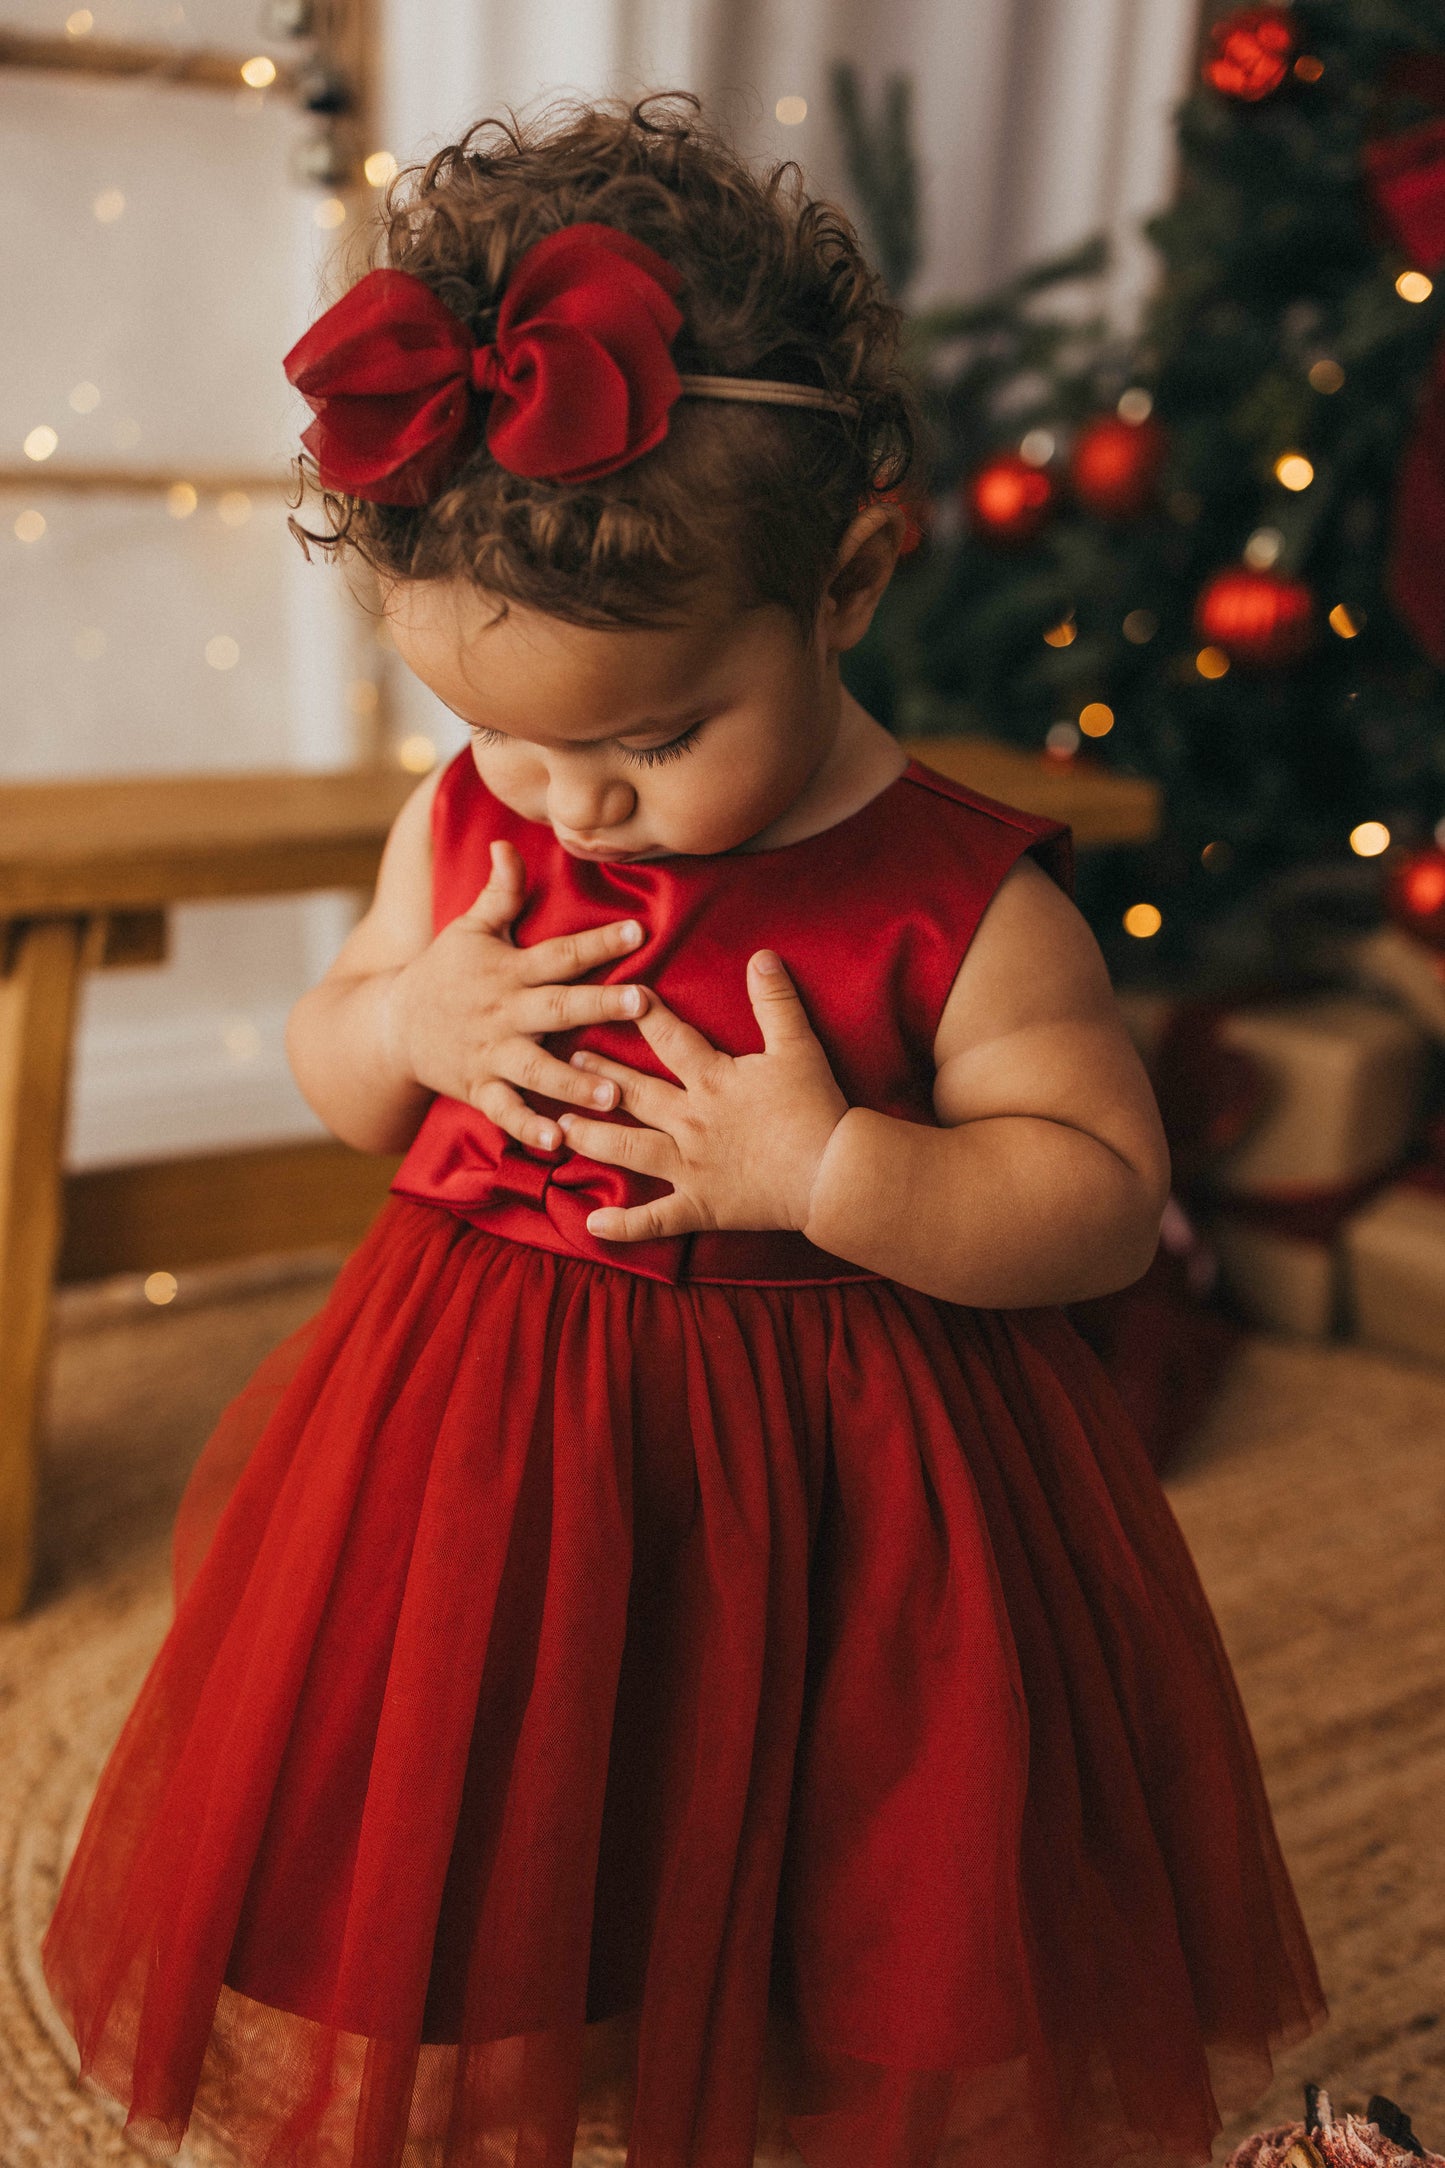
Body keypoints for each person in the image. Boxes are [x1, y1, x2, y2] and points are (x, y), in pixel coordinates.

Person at [41, 95, 1325, 2168]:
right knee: (518, 1803)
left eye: (647, 739)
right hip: (484, 1432)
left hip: (848, 1467)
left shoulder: (963, 898)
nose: (567, 808)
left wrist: (835, 1173)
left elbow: (1099, 1199)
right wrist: (411, 1016)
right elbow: (339, 1068)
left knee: (847, 1835)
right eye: (503, 740)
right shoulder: (476, 822)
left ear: (849, 582)